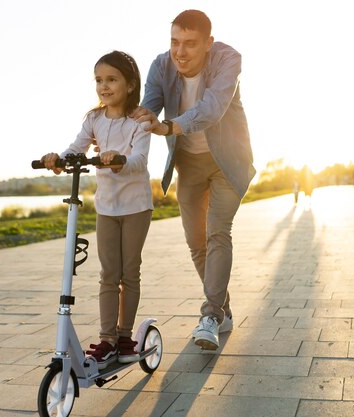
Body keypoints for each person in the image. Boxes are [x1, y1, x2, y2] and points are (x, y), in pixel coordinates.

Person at [133, 10, 255, 350]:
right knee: (196, 242)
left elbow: (213, 108)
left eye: (189, 44)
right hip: (188, 162)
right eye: (174, 42)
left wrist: (170, 126)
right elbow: (148, 109)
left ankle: (210, 316)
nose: (180, 52)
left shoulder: (228, 59)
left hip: (227, 161)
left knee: (218, 232)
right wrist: (118, 129)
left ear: (208, 44)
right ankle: (223, 309)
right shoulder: (161, 66)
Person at [40, 51, 153, 369]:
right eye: (99, 80)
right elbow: (77, 147)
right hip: (106, 207)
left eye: (112, 79)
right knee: (108, 274)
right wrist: (58, 158)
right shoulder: (94, 119)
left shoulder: (140, 121)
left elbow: (139, 161)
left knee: (129, 274)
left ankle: (125, 336)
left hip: (136, 207)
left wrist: (117, 158)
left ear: (130, 85)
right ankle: (106, 340)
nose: (104, 86)